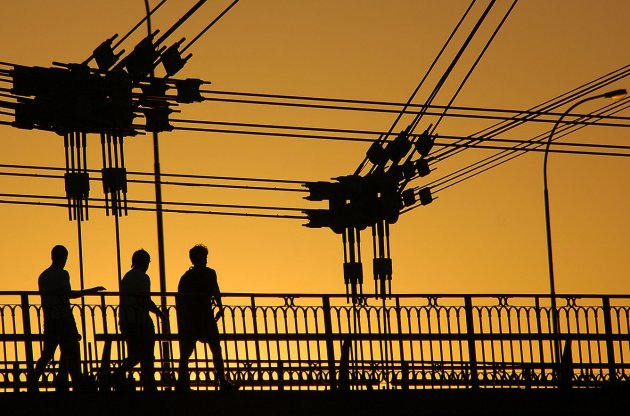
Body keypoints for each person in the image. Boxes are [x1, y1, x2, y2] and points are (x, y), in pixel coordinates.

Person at [31, 244, 105, 391]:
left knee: (48, 353)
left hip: (49, 318)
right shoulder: (62, 274)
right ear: (63, 258)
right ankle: (77, 384)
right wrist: (88, 291)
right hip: (63, 318)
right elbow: (67, 294)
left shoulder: (43, 276)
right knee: (72, 351)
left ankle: (33, 380)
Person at [176, 244, 236, 391]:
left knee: (186, 352)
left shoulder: (186, 277)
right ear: (203, 258)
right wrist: (220, 307)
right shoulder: (210, 273)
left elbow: (180, 299)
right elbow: (216, 291)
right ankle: (222, 381)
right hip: (206, 316)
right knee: (216, 348)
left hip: (191, 318)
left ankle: (181, 382)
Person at [112, 249, 165, 392]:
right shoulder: (143, 277)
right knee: (145, 354)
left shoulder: (127, 277)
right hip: (140, 321)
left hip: (126, 320)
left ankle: (121, 375)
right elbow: (145, 299)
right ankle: (147, 383)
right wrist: (160, 313)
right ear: (145, 262)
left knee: (136, 353)